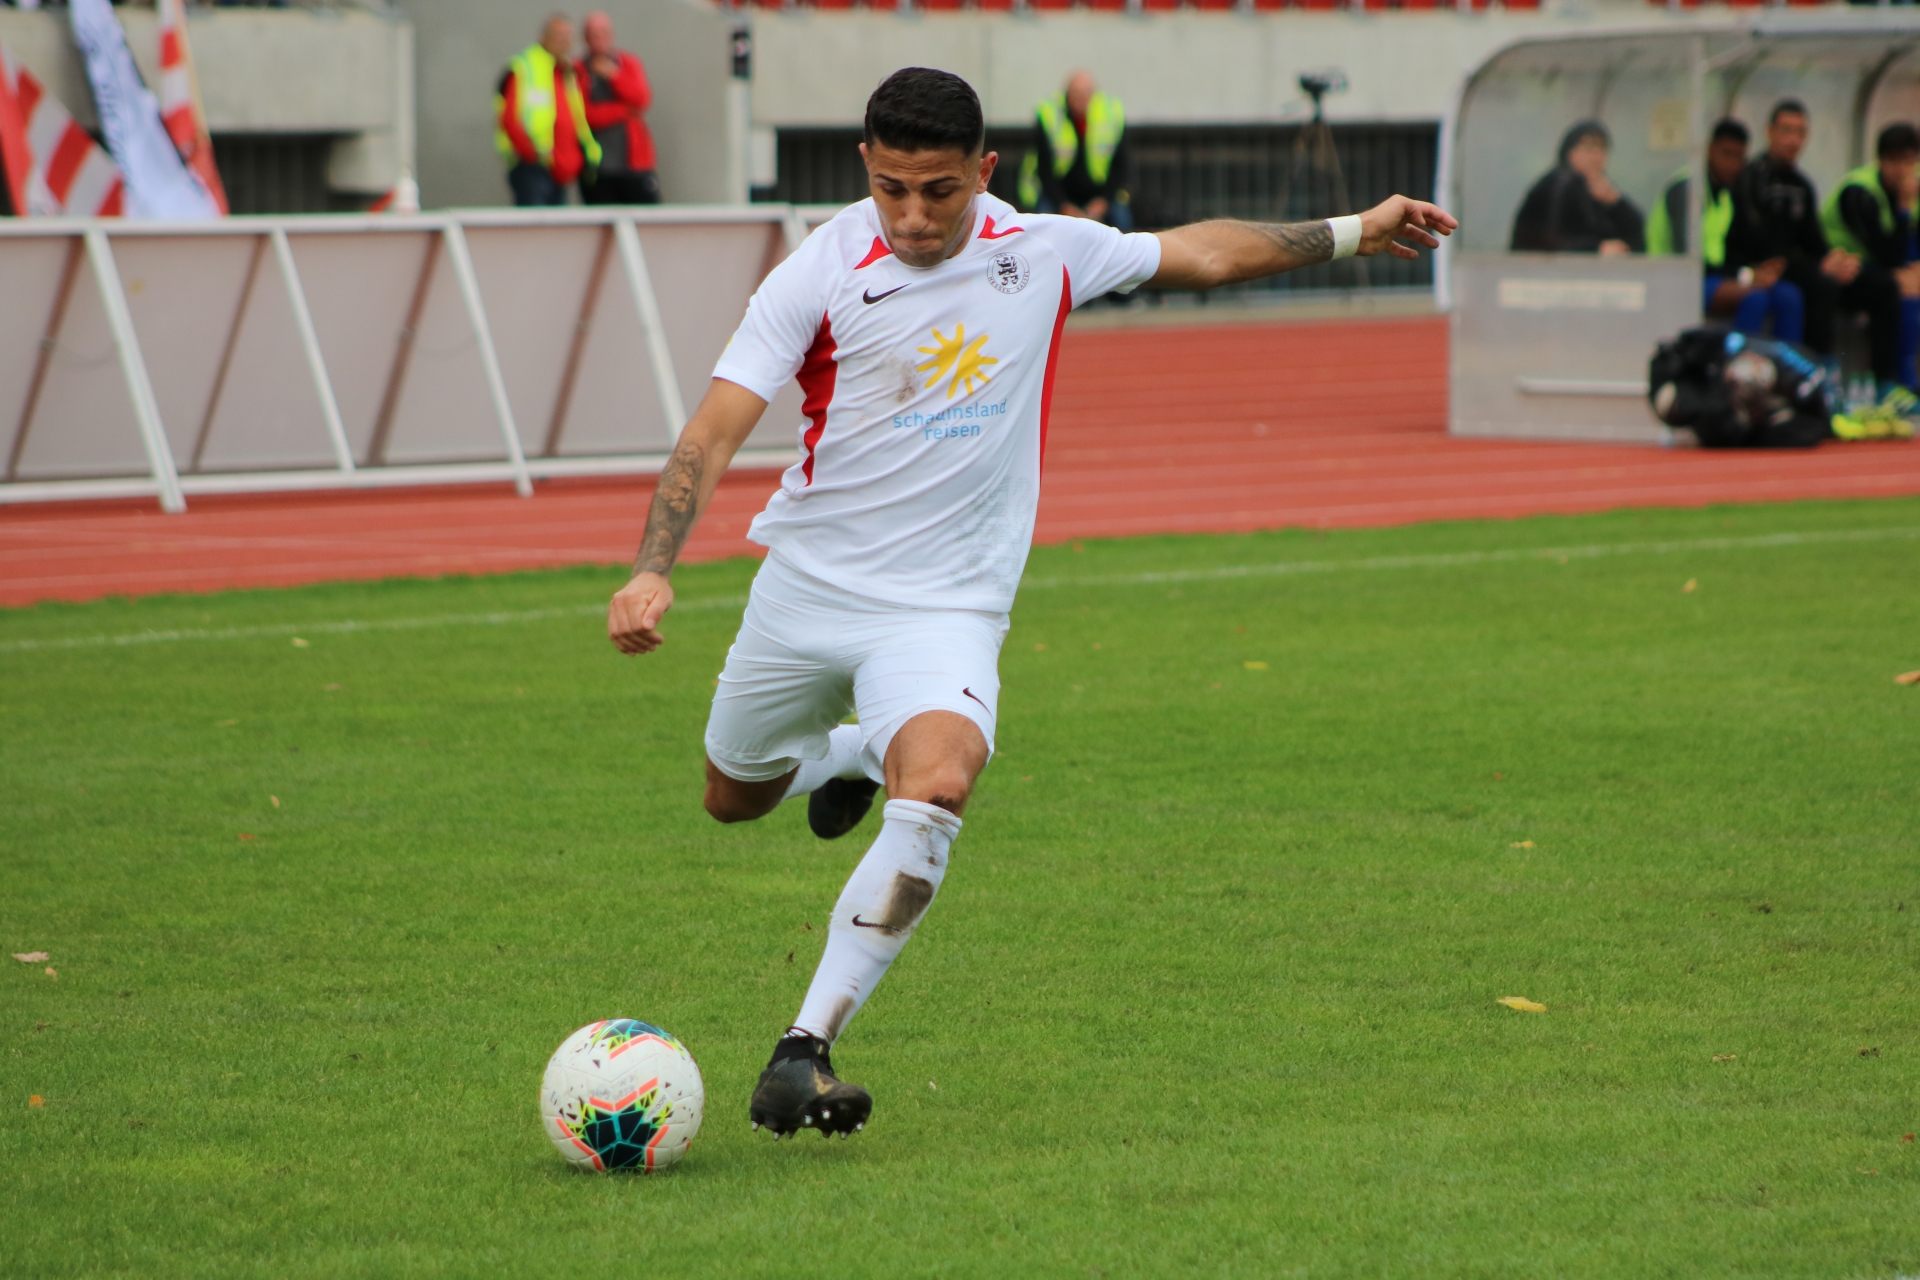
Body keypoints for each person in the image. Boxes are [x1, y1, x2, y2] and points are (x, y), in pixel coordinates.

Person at [604, 66, 1454, 1140]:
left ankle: (803, 1046)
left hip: (946, 609)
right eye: (891, 188)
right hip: (807, 588)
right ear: (865, 167)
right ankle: (853, 754)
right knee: (734, 797)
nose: (914, 216)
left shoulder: (1041, 251)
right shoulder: (816, 271)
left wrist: (1354, 230)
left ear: (985, 172)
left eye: (940, 190)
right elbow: (714, 428)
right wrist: (653, 565)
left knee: (942, 780)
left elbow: (1201, 253)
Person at [1724, 99, 1861, 359]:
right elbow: (1757, 241)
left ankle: (1866, 373)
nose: (1793, 140)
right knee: (1813, 285)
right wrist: (1817, 266)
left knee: (1865, 281)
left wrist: (1835, 260)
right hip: (1754, 265)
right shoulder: (1752, 178)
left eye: (1800, 132)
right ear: (1770, 132)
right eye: (1786, 130)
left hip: (1794, 266)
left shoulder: (1802, 186)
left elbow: (1813, 240)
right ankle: (1813, 362)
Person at [1647, 119, 1802, 343]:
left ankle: (1787, 361)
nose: (1733, 164)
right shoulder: (1685, 189)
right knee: (1754, 297)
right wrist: (1745, 275)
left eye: (1739, 157)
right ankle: (1741, 361)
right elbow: (1688, 259)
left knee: (1789, 297)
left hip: (1714, 275)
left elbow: (1730, 249)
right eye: (1727, 154)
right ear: (1710, 150)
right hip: (1675, 279)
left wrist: (1759, 269)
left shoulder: (1726, 194)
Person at [1819, 122, 1920, 393]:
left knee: (1910, 281)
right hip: (1844, 269)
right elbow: (1887, 254)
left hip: (1880, 266)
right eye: (1895, 161)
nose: (1904, 170)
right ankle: (1894, 382)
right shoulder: (1858, 191)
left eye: (1910, 161)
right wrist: (1903, 208)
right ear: (1881, 161)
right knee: (1897, 287)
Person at [495, 13, 599, 207]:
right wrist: (535, 154)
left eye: (568, 37)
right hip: (533, 167)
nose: (564, 42)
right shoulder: (525, 67)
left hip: (560, 170)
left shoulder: (567, 72)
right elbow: (509, 120)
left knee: (557, 224)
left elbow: (576, 118)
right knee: (535, 223)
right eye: (558, 36)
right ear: (543, 37)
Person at [1017, 71, 1131, 230]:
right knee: (1043, 221)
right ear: (1067, 95)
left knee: (1122, 220)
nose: (1081, 100)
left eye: (1086, 94)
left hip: (1099, 193)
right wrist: (1064, 206)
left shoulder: (1111, 114)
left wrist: (1103, 202)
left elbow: (1121, 167)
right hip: (1059, 193)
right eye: (1076, 94)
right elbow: (1044, 171)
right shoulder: (1050, 115)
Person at [1510, 120, 1645, 255]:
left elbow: (1640, 238)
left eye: (1602, 148)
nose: (1596, 155)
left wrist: (1617, 203)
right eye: (1588, 148)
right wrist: (1596, 249)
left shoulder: (1602, 190)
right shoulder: (1557, 186)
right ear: (1570, 153)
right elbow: (1549, 242)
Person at [577, 11, 659, 206]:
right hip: (598, 166)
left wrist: (614, 75)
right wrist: (624, 111)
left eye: (603, 33)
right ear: (586, 38)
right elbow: (585, 115)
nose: (599, 39)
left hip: (634, 163)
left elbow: (641, 100)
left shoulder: (628, 63)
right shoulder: (578, 69)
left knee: (646, 215)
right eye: (594, 34)